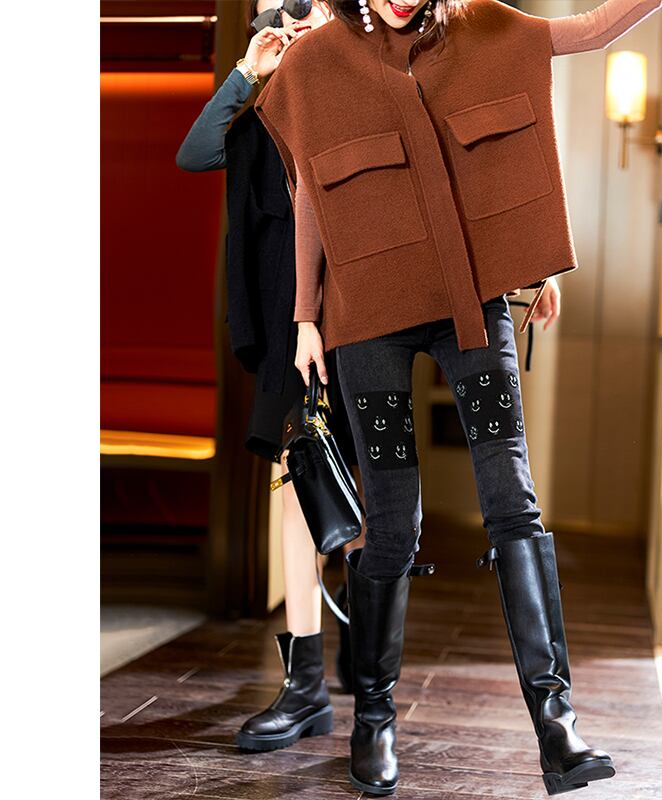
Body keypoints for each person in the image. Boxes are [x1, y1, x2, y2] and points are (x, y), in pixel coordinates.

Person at [255, 0, 662, 794]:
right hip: (366, 317)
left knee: (512, 496)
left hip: (468, 306)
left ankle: (557, 724)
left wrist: (528, 263)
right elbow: (311, 190)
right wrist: (306, 318)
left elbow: (588, 33)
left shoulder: (483, 28)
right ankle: (373, 720)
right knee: (394, 522)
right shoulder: (315, 61)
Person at [175, 0, 365, 753]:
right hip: (290, 322)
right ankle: (306, 681)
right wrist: (247, 72)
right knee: (296, 478)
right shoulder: (261, 114)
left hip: (362, 312)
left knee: (367, 488)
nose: (283, 22)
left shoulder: (364, 85)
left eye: (300, 8)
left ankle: (366, 649)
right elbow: (194, 154)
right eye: (269, 15)